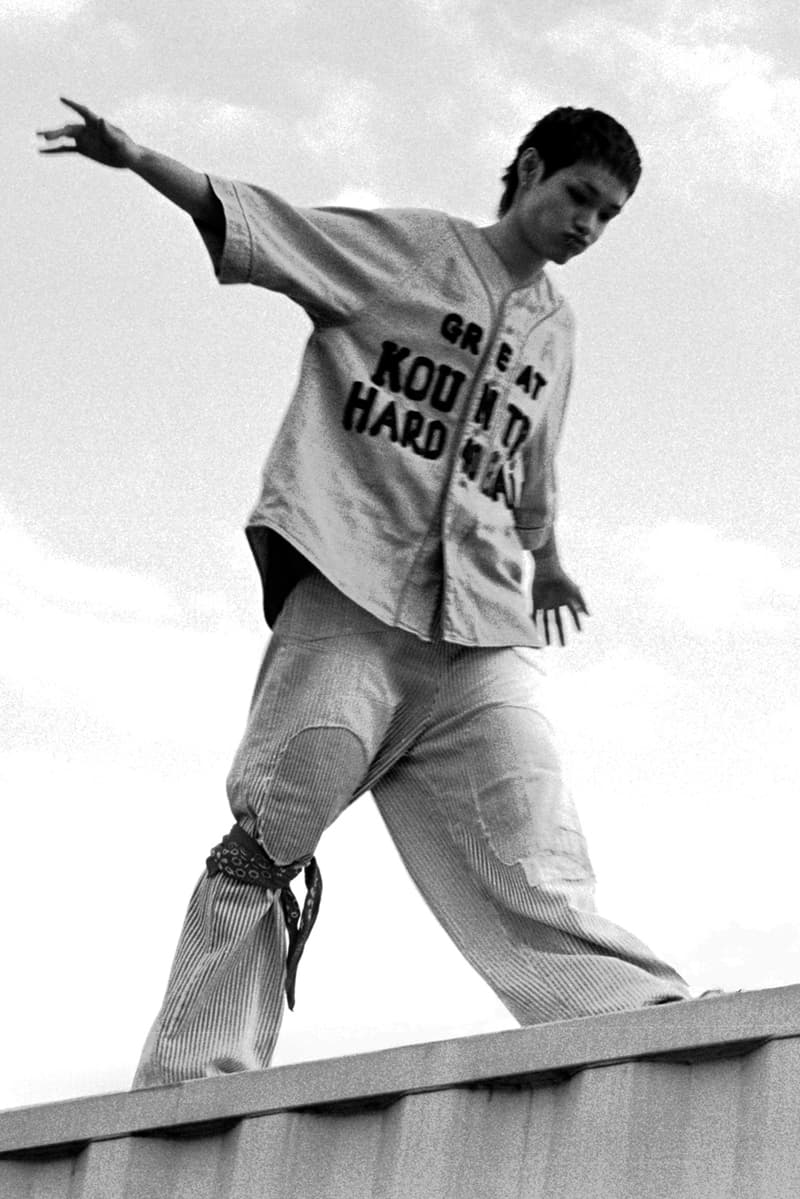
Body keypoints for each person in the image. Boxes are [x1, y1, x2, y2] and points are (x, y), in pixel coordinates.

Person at [38, 98, 692, 1086]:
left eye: (608, 214)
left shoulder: (555, 327)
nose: (588, 226)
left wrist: (549, 560)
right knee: (275, 828)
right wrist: (136, 158)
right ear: (526, 168)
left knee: (533, 834)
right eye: (578, 196)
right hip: (353, 590)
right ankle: (193, 1075)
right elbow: (269, 224)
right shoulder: (412, 254)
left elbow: (531, 462)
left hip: (478, 623)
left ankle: (637, 1015)